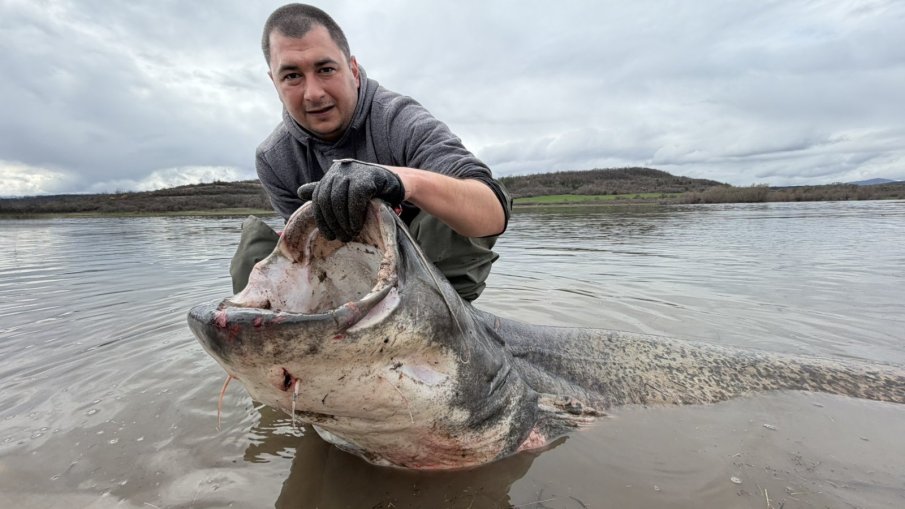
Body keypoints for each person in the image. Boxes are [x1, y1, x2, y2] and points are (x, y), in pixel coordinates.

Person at [231, 3, 511, 302]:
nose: (313, 93)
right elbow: (307, 257)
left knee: (448, 195)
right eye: (292, 76)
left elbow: (492, 211)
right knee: (256, 253)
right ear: (274, 82)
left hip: (427, 274)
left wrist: (398, 180)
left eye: (325, 69)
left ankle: (443, 325)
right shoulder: (275, 157)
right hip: (343, 272)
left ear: (352, 69)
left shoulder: (399, 120)